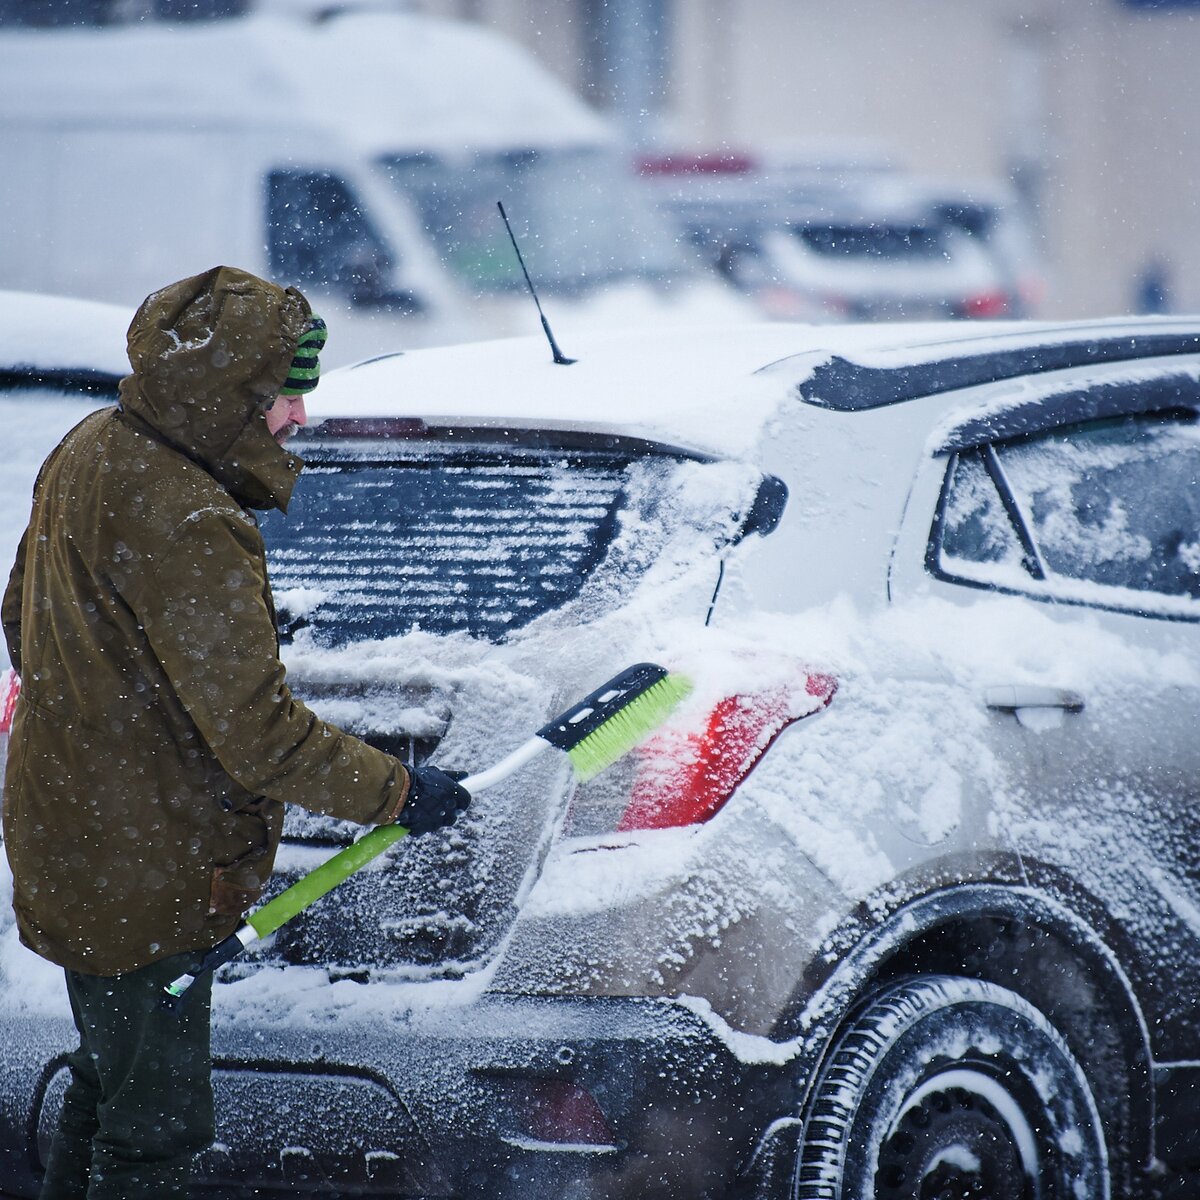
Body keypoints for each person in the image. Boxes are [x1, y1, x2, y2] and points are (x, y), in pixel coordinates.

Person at [1, 265, 471, 1199]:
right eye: (284, 395)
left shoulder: (90, 445)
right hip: (152, 867)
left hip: (74, 840)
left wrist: (115, 712)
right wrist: (401, 792)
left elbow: (19, 615)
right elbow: (261, 737)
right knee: (158, 1132)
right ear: (229, 395)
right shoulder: (192, 515)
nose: (298, 418)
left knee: (110, 1087)